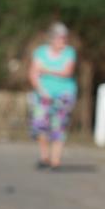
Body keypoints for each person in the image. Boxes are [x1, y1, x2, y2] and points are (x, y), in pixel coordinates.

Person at [28, 22, 77, 169]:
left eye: (64, 38)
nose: (63, 41)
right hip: (43, 95)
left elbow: (67, 72)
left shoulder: (69, 52)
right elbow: (33, 73)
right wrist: (42, 91)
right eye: (60, 38)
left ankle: (56, 160)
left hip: (64, 95)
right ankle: (44, 157)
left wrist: (46, 69)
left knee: (59, 126)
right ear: (52, 39)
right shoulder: (40, 52)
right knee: (40, 125)